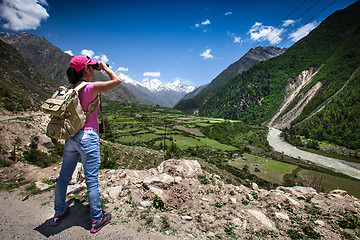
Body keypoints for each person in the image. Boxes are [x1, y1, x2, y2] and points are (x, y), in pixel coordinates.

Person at [51, 55, 121, 233]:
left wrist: (94, 66)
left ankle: (58, 213)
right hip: (88, 137)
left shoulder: (72, 89)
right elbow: (117, 80)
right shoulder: (91, 88)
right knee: (91, 179)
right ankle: (97, 219)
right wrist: (104, 67)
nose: (93, 69)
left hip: (72, 136)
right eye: (90, 67)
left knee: (63, 177)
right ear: (86, 70)